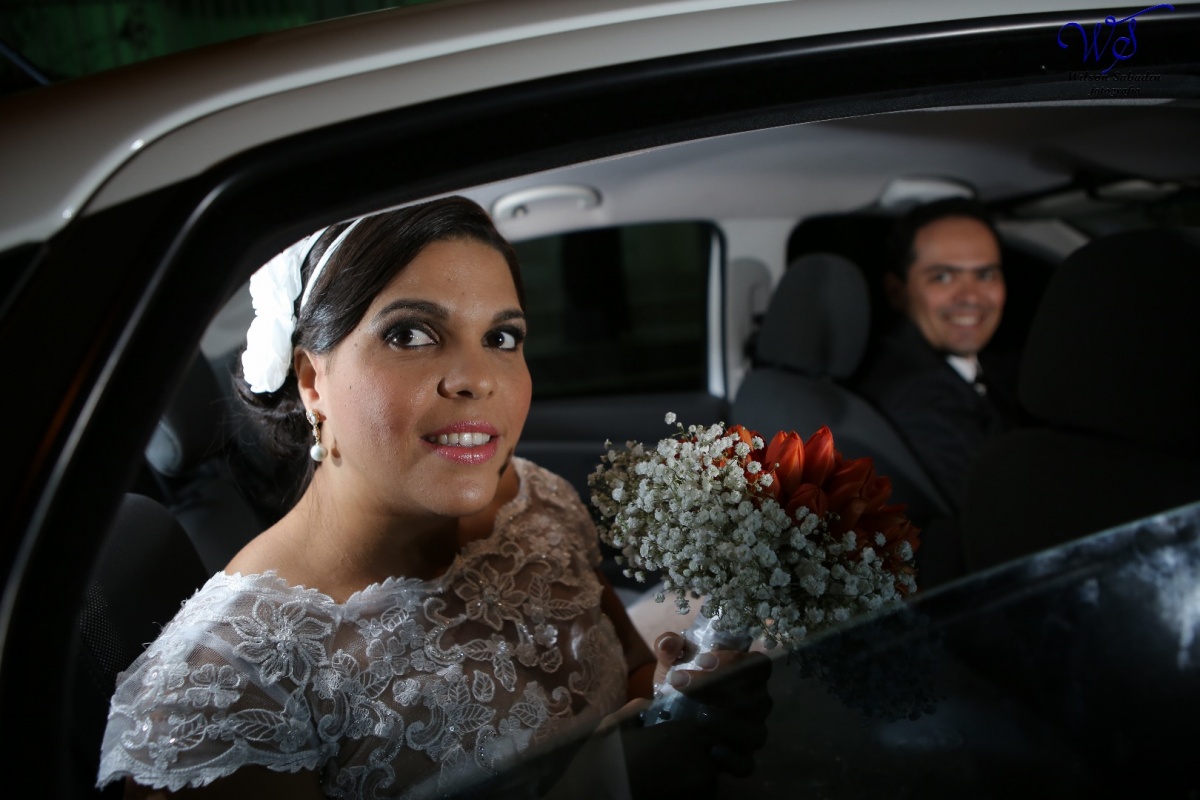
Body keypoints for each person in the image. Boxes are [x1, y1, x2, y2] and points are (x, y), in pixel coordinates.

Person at [96, 197, 767, 799]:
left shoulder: (535, 501)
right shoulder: (223, 688)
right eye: (411, 334)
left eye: (502, 338)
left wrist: (685, 704)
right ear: (311, 380)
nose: (479, 378)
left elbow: (632, 675)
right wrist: (615, 777)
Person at [856, 197, 1021, 515]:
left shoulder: (970, 367)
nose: (971, 297)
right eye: (943, 277)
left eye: (986, 275)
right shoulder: (917, 395)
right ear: (897, 292)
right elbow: (1001, 517)